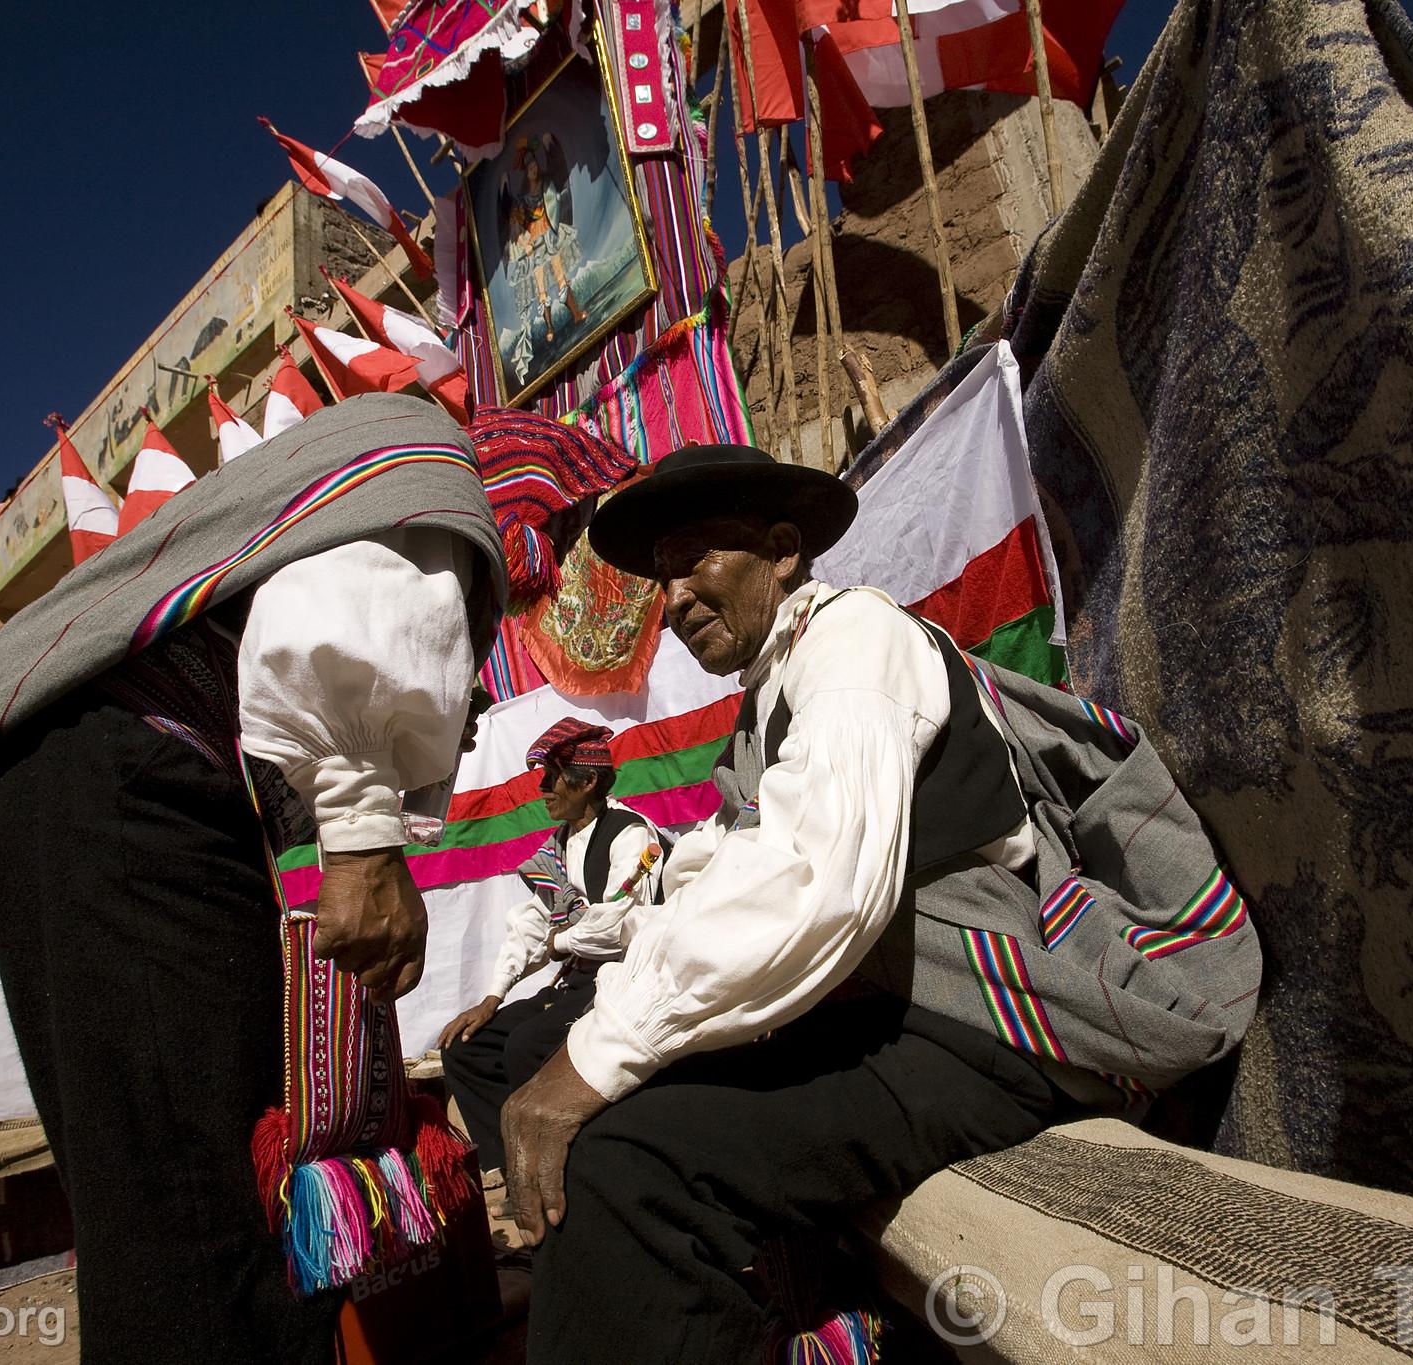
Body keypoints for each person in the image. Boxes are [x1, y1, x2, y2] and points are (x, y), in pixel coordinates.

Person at [496, 443, 1262, 1362]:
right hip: (891, 1009)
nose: (678, 599)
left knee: (628, 1165)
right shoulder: (764, 707)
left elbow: (814, 881)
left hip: (981, 1023)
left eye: (696, 558)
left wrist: (602, 1052)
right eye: (663, 578)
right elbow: (721, 865)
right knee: (549, 1054)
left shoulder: (855, 637)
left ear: (783, 550)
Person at [0, 397, 636, 1365]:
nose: (546, 564)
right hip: (108, 784)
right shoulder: (432, 475)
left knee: (154, 1187)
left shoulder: (373, 489)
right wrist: (360, 844)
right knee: (203, 1207)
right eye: (560, 529)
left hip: (56, 783)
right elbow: (339, 630)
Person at [437, 717, 662, 1196]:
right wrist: (492, 998)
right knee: (465, 1048)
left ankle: (566, 1170)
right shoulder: (558, 848)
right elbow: (532, 925)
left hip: (622, 981)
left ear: (589, 782)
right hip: (576, 982)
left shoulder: (631, 835)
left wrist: (560, 942)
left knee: (525, 1045)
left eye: (553, 777)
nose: (543, 788)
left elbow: (617, 927)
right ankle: (512, 1166)